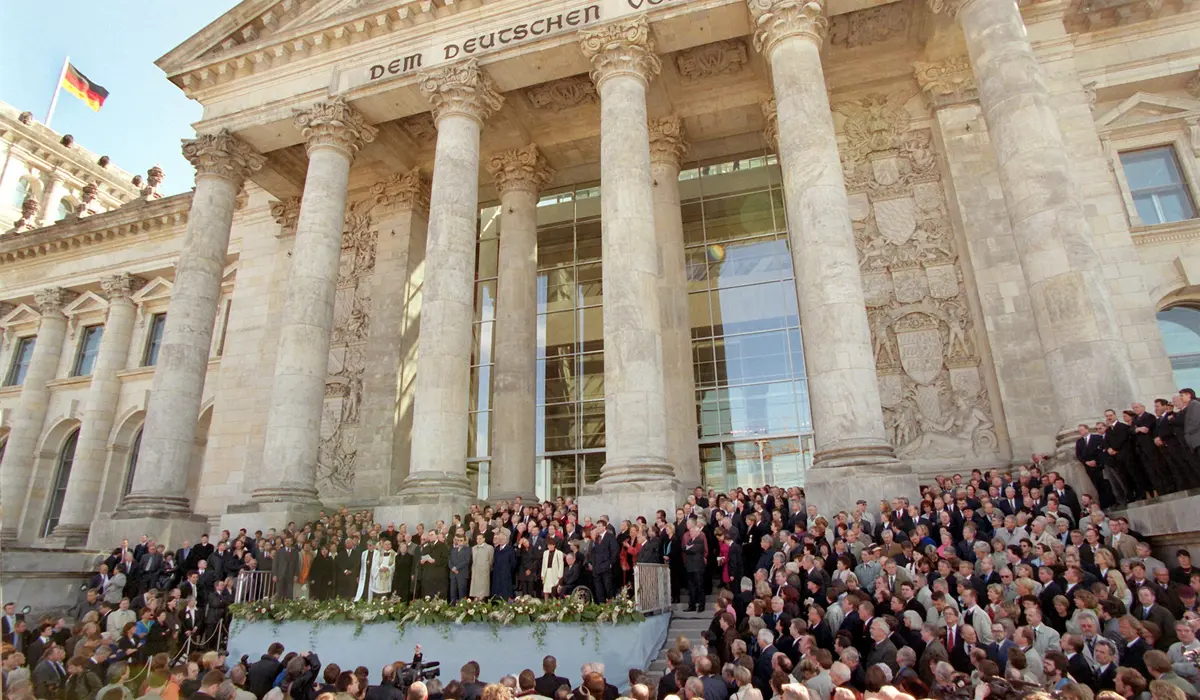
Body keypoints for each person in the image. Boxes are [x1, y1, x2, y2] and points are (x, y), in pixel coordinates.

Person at [449, 534, 472, 603]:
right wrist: (452, 568)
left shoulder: (468, 549)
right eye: (458, 540)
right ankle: (452, 608)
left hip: (462, 573)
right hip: (453, 574)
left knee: (462, 592)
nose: (459, 542)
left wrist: (456, 568)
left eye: (461, 540)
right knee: (452, 592)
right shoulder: (453, 549)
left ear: (465, 541)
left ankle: (462, 608)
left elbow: (466, 561)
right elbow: (450, 560)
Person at [470, 534, 493, 600]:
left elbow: (491, 560)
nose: (478, 540)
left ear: (484, 539)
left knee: (483, 589)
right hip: (475, 571)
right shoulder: (474, 548)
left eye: (480, 538)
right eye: (477, 539)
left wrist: (487, 567)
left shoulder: (489, 548)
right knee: (475, 589)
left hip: (484, 571)